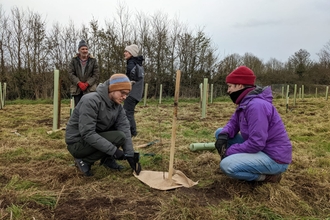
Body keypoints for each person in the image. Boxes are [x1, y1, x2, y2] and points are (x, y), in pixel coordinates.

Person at [214, 66, 292, 183]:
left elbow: (256, 143)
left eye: (230, 86)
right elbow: (233, 123)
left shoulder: (256, 106)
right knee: (220, 132)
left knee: (227, 165)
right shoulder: (245, 102)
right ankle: (244, 162)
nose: (228, 90)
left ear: (239, 85)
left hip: (274, 158)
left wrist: (229, 152)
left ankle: (267, 177)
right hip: (261, 150)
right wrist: (224, 135)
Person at [65, 73, 141, 176]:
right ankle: (84, 161)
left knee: (121, 134)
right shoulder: (91, 101)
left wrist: (130, 155)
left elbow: (125, 128)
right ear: (112, 89)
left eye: (127, 94)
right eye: (122, 93)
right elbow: (87, 133)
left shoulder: (117, 107)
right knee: (118, 136)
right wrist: (114, 151)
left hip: (92, 139)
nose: (125, 97)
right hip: (77, 143)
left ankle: (107, 160)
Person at [68, 40, 99, 106]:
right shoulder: (74, 60)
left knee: (89, 108)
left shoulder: (93, 60)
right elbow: (70, 73)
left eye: (86, 49)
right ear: (79, 50)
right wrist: (79, 83)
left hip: (90, 90)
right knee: (78, 109)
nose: (85, 51)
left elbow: (96, 74)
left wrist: (87, 83)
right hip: (77, 90)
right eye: (83, 49)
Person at [123, 44, 145, 137]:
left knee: (127, 112)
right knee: (128, 111)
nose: (124, 53)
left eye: (126, 51)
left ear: (131, 53)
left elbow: (131, 79)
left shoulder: (132, 64)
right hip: (137, 93)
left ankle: (132, 132)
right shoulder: (137, 64)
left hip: (132, 93)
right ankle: (132, 131)